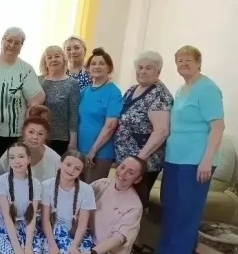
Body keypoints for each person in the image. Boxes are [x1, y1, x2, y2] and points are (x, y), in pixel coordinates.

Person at [151, 45, 225, 254]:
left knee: (186, 211)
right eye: (179, 61)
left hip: (196, 160)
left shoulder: (208, 89)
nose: (183, 64)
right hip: (175, 157)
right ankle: (164, 252)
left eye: (188, 60)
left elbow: (218, 127)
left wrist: (207, 160)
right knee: (171, 206)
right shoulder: (181, 89)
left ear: (199, 63)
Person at [0, 27, 45, 173]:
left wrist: (31, 109)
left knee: (8, 173)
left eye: (17, 43)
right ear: (2, 40)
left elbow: (38, 96)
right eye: (9, 40)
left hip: (13, 135)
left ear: (21, 46)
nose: (12, 45)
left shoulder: (25, 69)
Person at [115, 51, 172, 215]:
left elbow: (161, 131)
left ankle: (135, 232)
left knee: (136, 204)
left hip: (143, 163)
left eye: (148, 68)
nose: (143, 71)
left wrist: (139, 160)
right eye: (140, 67)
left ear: (158, 71)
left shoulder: (160, 95)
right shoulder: (132, 89)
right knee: (122, 203)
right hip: (126, 159)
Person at [74, 156, 145, 254]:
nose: (122, 173)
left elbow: (118, 239)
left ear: (137, 179)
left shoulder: (135, 206)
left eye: (130, 172)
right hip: (87, 239)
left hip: (110, 253)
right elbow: (80, 198)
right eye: (122, 167)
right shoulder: (101, 184)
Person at [40, 150, 95, 254]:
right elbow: (45, 220)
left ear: (81, 171)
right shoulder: (46, 185)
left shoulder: (87, 190)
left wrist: (74, 246)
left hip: (74, 231)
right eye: (68, 165)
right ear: (60, 163)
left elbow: (82, 224)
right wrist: (52, 245)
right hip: (52, 231)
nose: (71, 170)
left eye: (77, 168)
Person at [0, 142, 43, 254]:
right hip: (7, 226)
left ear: (28, 159)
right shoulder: (1, 181)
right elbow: (6, 216)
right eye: (12, 157)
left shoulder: (36, 184)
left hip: (27, 227)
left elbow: (32, 217)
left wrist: (27, 247)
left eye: (21, 156)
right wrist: (17, 247)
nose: (17, 161)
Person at [78, 48, 122, 183]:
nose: (97, 66)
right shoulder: (84, 91)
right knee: (79, 190)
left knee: (93, 190)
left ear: (109, 68)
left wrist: (93, 150)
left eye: (101, 63)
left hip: (100, 153)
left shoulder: (113, 92)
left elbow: (110, 126)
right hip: (80, 150)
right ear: (88, 68)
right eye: (93, 63)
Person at [0, 107, 61, 181]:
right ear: (23, 132)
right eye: (31, 132)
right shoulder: (11, 152)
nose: (35, 137)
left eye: (40, 133)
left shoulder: (55, 159)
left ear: (46, 136)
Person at [39, 45, 79, 155]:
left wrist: (73, 142)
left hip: (60, 139)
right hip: (38, 136)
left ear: (63, 59)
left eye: (57, 56)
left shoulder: (72, 84)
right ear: (45, 62)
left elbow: (74, 115)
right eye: (49, 57)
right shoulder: (38, 81)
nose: (53, 60)